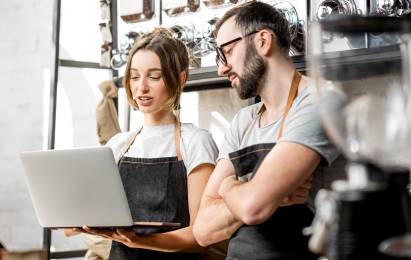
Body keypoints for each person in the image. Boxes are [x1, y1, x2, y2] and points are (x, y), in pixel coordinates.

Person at [192, 1, 340, 260]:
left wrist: (228, 189)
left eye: (226, 52)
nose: (221, 68)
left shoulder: (320, 100)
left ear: (262, 41)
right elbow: (203, 230)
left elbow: (253, 209)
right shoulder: (243, 121)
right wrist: (252, 192)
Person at [74, 28, 219, 260]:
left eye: (154, 76)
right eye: (134, 76)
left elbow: (201, 237)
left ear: (180, 79)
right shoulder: (118, 145)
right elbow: (93, 215)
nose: (141, 87)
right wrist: (80, 223)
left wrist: (140, 240)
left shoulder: (195, 141)